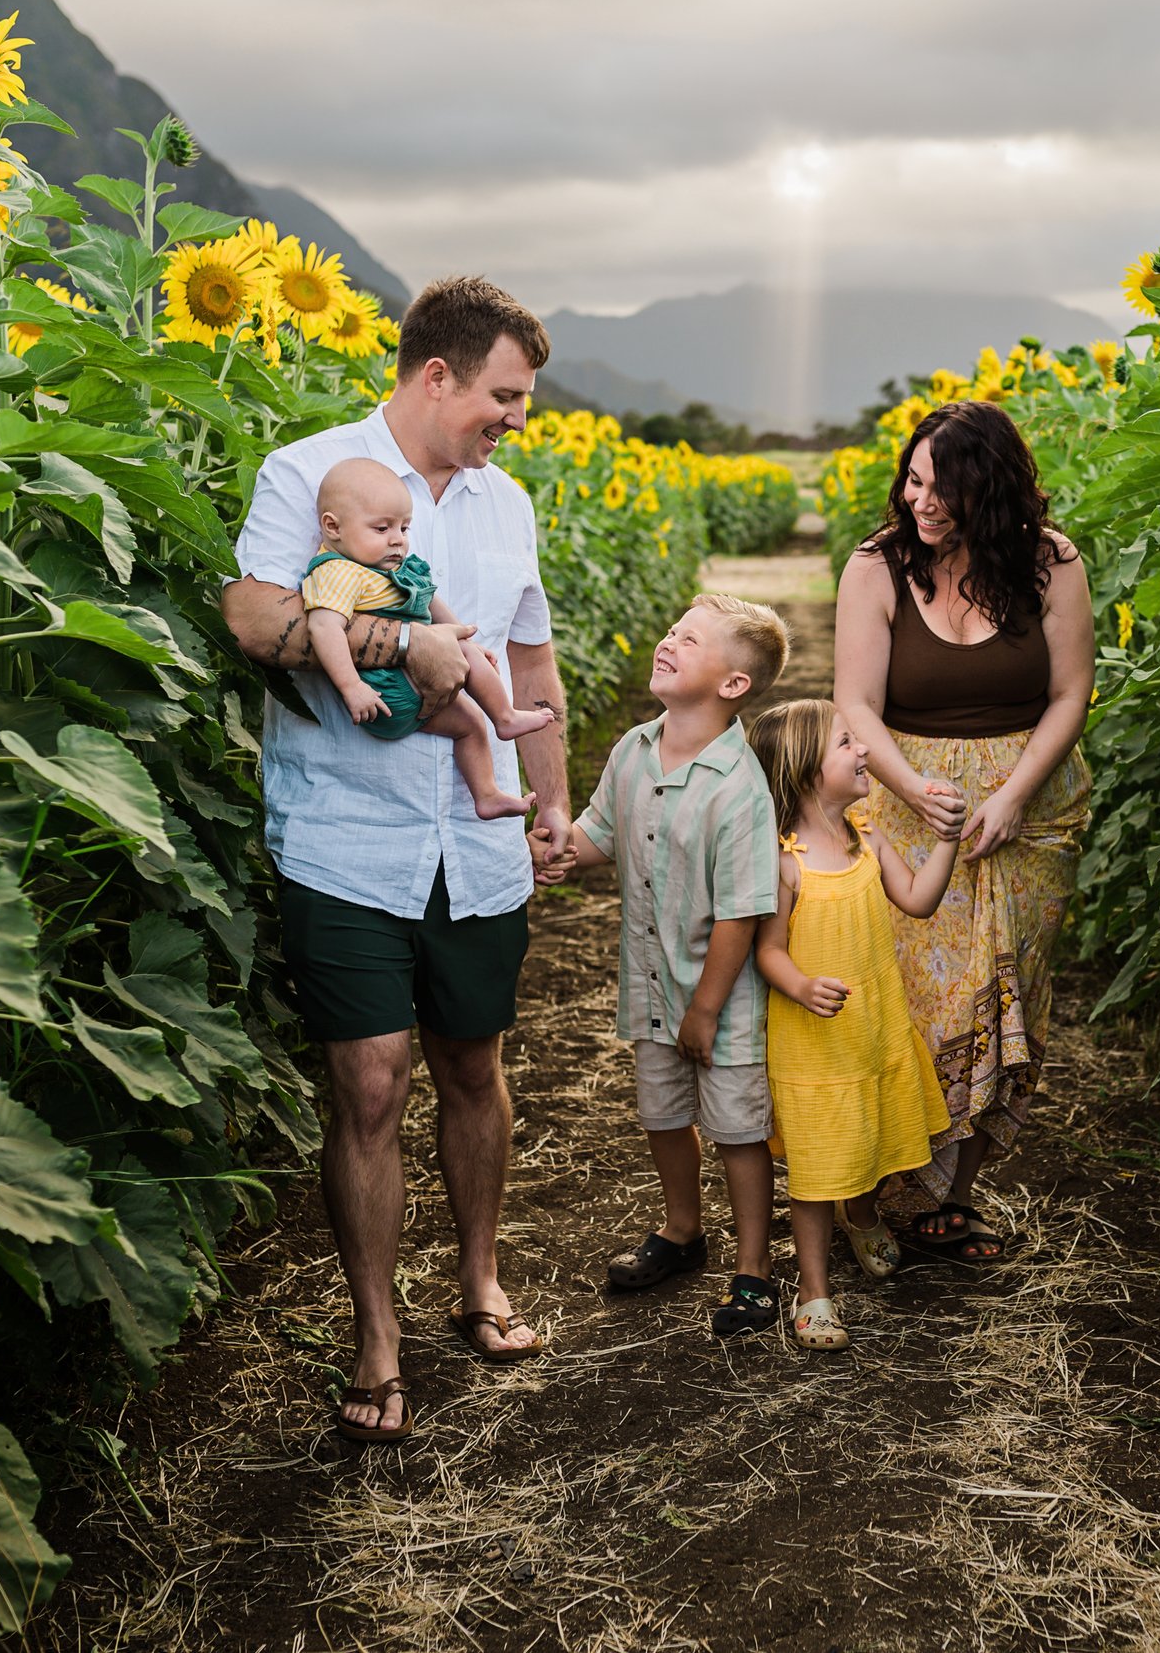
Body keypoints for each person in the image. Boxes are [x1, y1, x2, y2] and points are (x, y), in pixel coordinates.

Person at [222, 276, 572, 1445]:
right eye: (502, 397)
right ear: (438, 375)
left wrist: (552, 799)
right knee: (368, 1083)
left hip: (472, 843)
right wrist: (403, 640)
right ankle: (376, 1332)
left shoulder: (504, 504)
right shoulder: (310, 473)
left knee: (474, 1061)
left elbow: (531, 662)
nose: (513, 419)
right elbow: (255, 617)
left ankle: (477, 1276)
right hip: (344, 831)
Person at [833, 398, 1096, 1262]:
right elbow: (856, 706)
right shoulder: (875, 567)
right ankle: (875, 1186)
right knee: (909, 1000)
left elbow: (1069, 693)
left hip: (1032, 807)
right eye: (914, 480)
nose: (923, 501)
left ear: (992, 489)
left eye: (946, 487)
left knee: (1008, 993)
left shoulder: (1052, 564)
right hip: (912, 806)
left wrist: (1015, 793)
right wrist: (913, 789)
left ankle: (955, 1197)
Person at [562, 595, 794, 1336]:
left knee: (736, 1128)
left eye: (688, 640)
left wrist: (706, 1005)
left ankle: (755, 1270)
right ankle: (682, 1229)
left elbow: (742, 909)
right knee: (662, 1112)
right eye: (670, 630)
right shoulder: (634, 747)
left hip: (718, 997)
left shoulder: (738, 785)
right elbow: (600, 829)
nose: (667, 642)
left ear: (733, 684)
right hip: (651, 977)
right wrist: (557, 850)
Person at [747, 700, 960, 1351]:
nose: (864, 750)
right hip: (811, 1043)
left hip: (871, 1026)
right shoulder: (788, 861)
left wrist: (949, 839)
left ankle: (862, 1215)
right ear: (808, 769)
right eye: (847, 743)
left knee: (868, 1134)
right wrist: (803, 985)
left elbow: (919, 900)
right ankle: (815, 1292)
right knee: (815, 1169)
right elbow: (768, 950)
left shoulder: (866, 834)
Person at [300, 457, 560, 820]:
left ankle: (486, 794)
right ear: (333, 527)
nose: (397, 539)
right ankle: (504, 716)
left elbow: (432, 600)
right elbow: (324, 628)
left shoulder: (390, 566)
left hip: (408, 700)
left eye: (404, 528)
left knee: (469, 725)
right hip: (384, 691)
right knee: (463, 659)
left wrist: (467, 637)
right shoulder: (340, 572)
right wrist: (351, 687)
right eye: (381, 528)